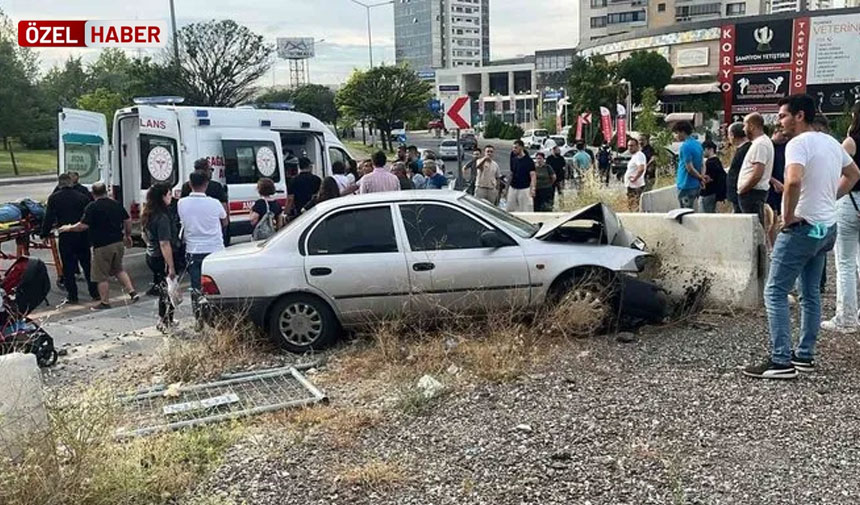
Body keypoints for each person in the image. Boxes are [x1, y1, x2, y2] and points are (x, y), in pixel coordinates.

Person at [743, 94, 860, 379]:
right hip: (826, 227)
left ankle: (781, 360)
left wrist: (789, 215)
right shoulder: (831, 142)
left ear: (799, 116)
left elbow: (793, 180)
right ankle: (805, 354)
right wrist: (830, 196)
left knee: (775, 291)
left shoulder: (798, 143)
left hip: (802, 227)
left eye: (783, 115)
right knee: (810, 293)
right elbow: (854, 173)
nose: (779, 121)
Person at [59, 182, 138, 310]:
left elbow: (83, 226)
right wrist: (127, 235)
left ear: (93, 193)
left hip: (102, 245)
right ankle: (132, 293)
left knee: (101, 276)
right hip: (118, 243)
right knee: (119, 270)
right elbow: (127, 220)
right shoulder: (116, 204)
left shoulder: (92, 207)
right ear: (106, 192)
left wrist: (68, 228)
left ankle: (105, 302)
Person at [821, 102, 860, 332]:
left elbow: (839, 170)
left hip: (850, 201)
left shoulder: (850, 142)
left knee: (844, 262)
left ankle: (845, 318)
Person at [178, 171, 228, 323]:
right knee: (217, 284)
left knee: (196, 286)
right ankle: (217, 315)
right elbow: (224, 221)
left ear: (189, 184)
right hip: (215, 249)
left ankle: (199, 317)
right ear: (206, 184)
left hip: (193, 250)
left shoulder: (182, 203)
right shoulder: (215, 203)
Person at [41, 173, 99, 304]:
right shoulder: (82, 197)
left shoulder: (54, 198)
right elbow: (90, 216)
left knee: (68, 267)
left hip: (66, 235)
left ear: (60, 184)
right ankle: (94, 293)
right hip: (82, 235)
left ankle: (73, 295)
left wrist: (44, 234)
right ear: (71, 183)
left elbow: (48, 218)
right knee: (87, 265)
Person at [141, 183, 182, 331]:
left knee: (164, 288)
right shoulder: (162, 217)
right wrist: (170, 265)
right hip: (162, 257)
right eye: (169, 194)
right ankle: (164, 320)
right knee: (167, 289)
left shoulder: (147, 213)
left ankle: (168, 319)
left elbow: (144, 235)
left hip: (151, 254)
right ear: (162, 196)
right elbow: (165, 243)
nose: (171, 197)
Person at [180, 158, 230, 245]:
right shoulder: (216, 187)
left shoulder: (186, 187)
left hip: (192, 237)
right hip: (213, 236)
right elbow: (224, 215)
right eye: (211, 169)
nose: (212, 172)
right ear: (206, 171)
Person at [737, 113, 774, 222]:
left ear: (752, 126)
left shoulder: (760, 144)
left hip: (752, 194)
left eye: (745, 125)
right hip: (753, 193)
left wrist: (743, 189)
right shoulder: (761, 142)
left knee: (753, 229)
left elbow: (758, 173)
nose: (743, 129)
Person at [673, 121, 705, 210]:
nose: (676, 136)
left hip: (685, 184)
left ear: (682, 132)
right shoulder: (698, 144)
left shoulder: (685, 146)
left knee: (685, 212)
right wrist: (701, 177)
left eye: (677, 133)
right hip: (696, 184)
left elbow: (689, 168)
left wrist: (700, 177)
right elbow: (702, 164)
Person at [726, 122, 750, 213]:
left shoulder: (745, 149)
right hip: (737, 191)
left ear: (732, 135)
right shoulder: (741, 149)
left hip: (740, 191)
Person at [507, 140, 536, 212]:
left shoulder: (528, 161)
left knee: (525, 209)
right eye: (513, 148)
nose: (514, 149)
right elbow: (511, 173)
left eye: (516, 148)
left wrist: (533, 189)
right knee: (510, 209)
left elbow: (533, 175)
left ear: (521, 148)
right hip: (513, 187)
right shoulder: (513, 159)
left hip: (524, 189)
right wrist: (506, 188)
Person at [700, 140, 727, 213]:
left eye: (703, 149)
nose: (702, 152)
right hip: (715, 193)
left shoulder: (710, 163)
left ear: (710, 149)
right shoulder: (717, 161)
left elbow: (707, 179)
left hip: (709, 193)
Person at [768, 129, 788, 216]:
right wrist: (773, 181)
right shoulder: (768, 146)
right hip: (770, 185)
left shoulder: (786, 147)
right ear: (775, 133)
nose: (785, 138)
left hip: (783, 184)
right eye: (783, 135)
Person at [624, 138, 647, 212]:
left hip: (636, 187)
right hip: (632, 186)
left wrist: (635, 178)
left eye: (632, 146)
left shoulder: (639, 155)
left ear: (637, 146)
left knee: (634, 207)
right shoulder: (635, 156)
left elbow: (641, 168)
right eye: (628, 146)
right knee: (631, 206)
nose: (630, 148)